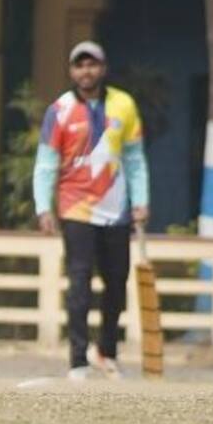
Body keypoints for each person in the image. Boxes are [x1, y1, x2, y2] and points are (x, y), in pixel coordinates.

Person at [33, 41, 150, 382]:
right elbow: (46, 163)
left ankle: (107, 352)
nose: (87, 71)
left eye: (92, 64)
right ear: (72, 71)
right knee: (80, 283)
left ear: (103, 68)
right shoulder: (59, 110)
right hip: (76, 208)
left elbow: (135, 158)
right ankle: (77, 359)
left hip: (116, 209)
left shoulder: (123, 105)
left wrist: (141, 200)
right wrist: (43, 207)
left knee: (116, 283)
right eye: (80, 65)